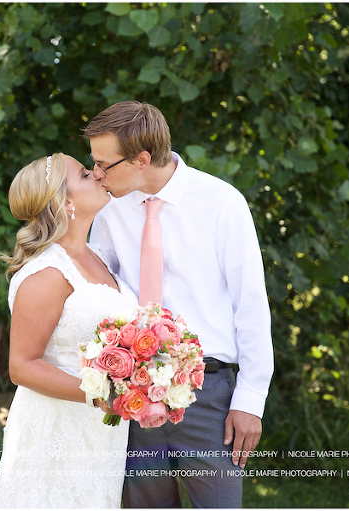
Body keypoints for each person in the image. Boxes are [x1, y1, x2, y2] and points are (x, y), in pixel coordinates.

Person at [84, 101, 274, 508]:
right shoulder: (108, 210)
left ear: (142, 159)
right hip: (132, 397)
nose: (96, 174)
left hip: (209, 396)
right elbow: (97, 294)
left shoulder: (222, 203)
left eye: (104, 164)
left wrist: (250, 400)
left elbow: (251, 305)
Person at [0, 153, 136, 508]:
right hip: (55, 427)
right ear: (65, 202)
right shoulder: (47, 273)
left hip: (101, 432)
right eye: (86, 174)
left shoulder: (98, 256)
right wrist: (99, 396)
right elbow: (22, 365)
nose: (99, 175)